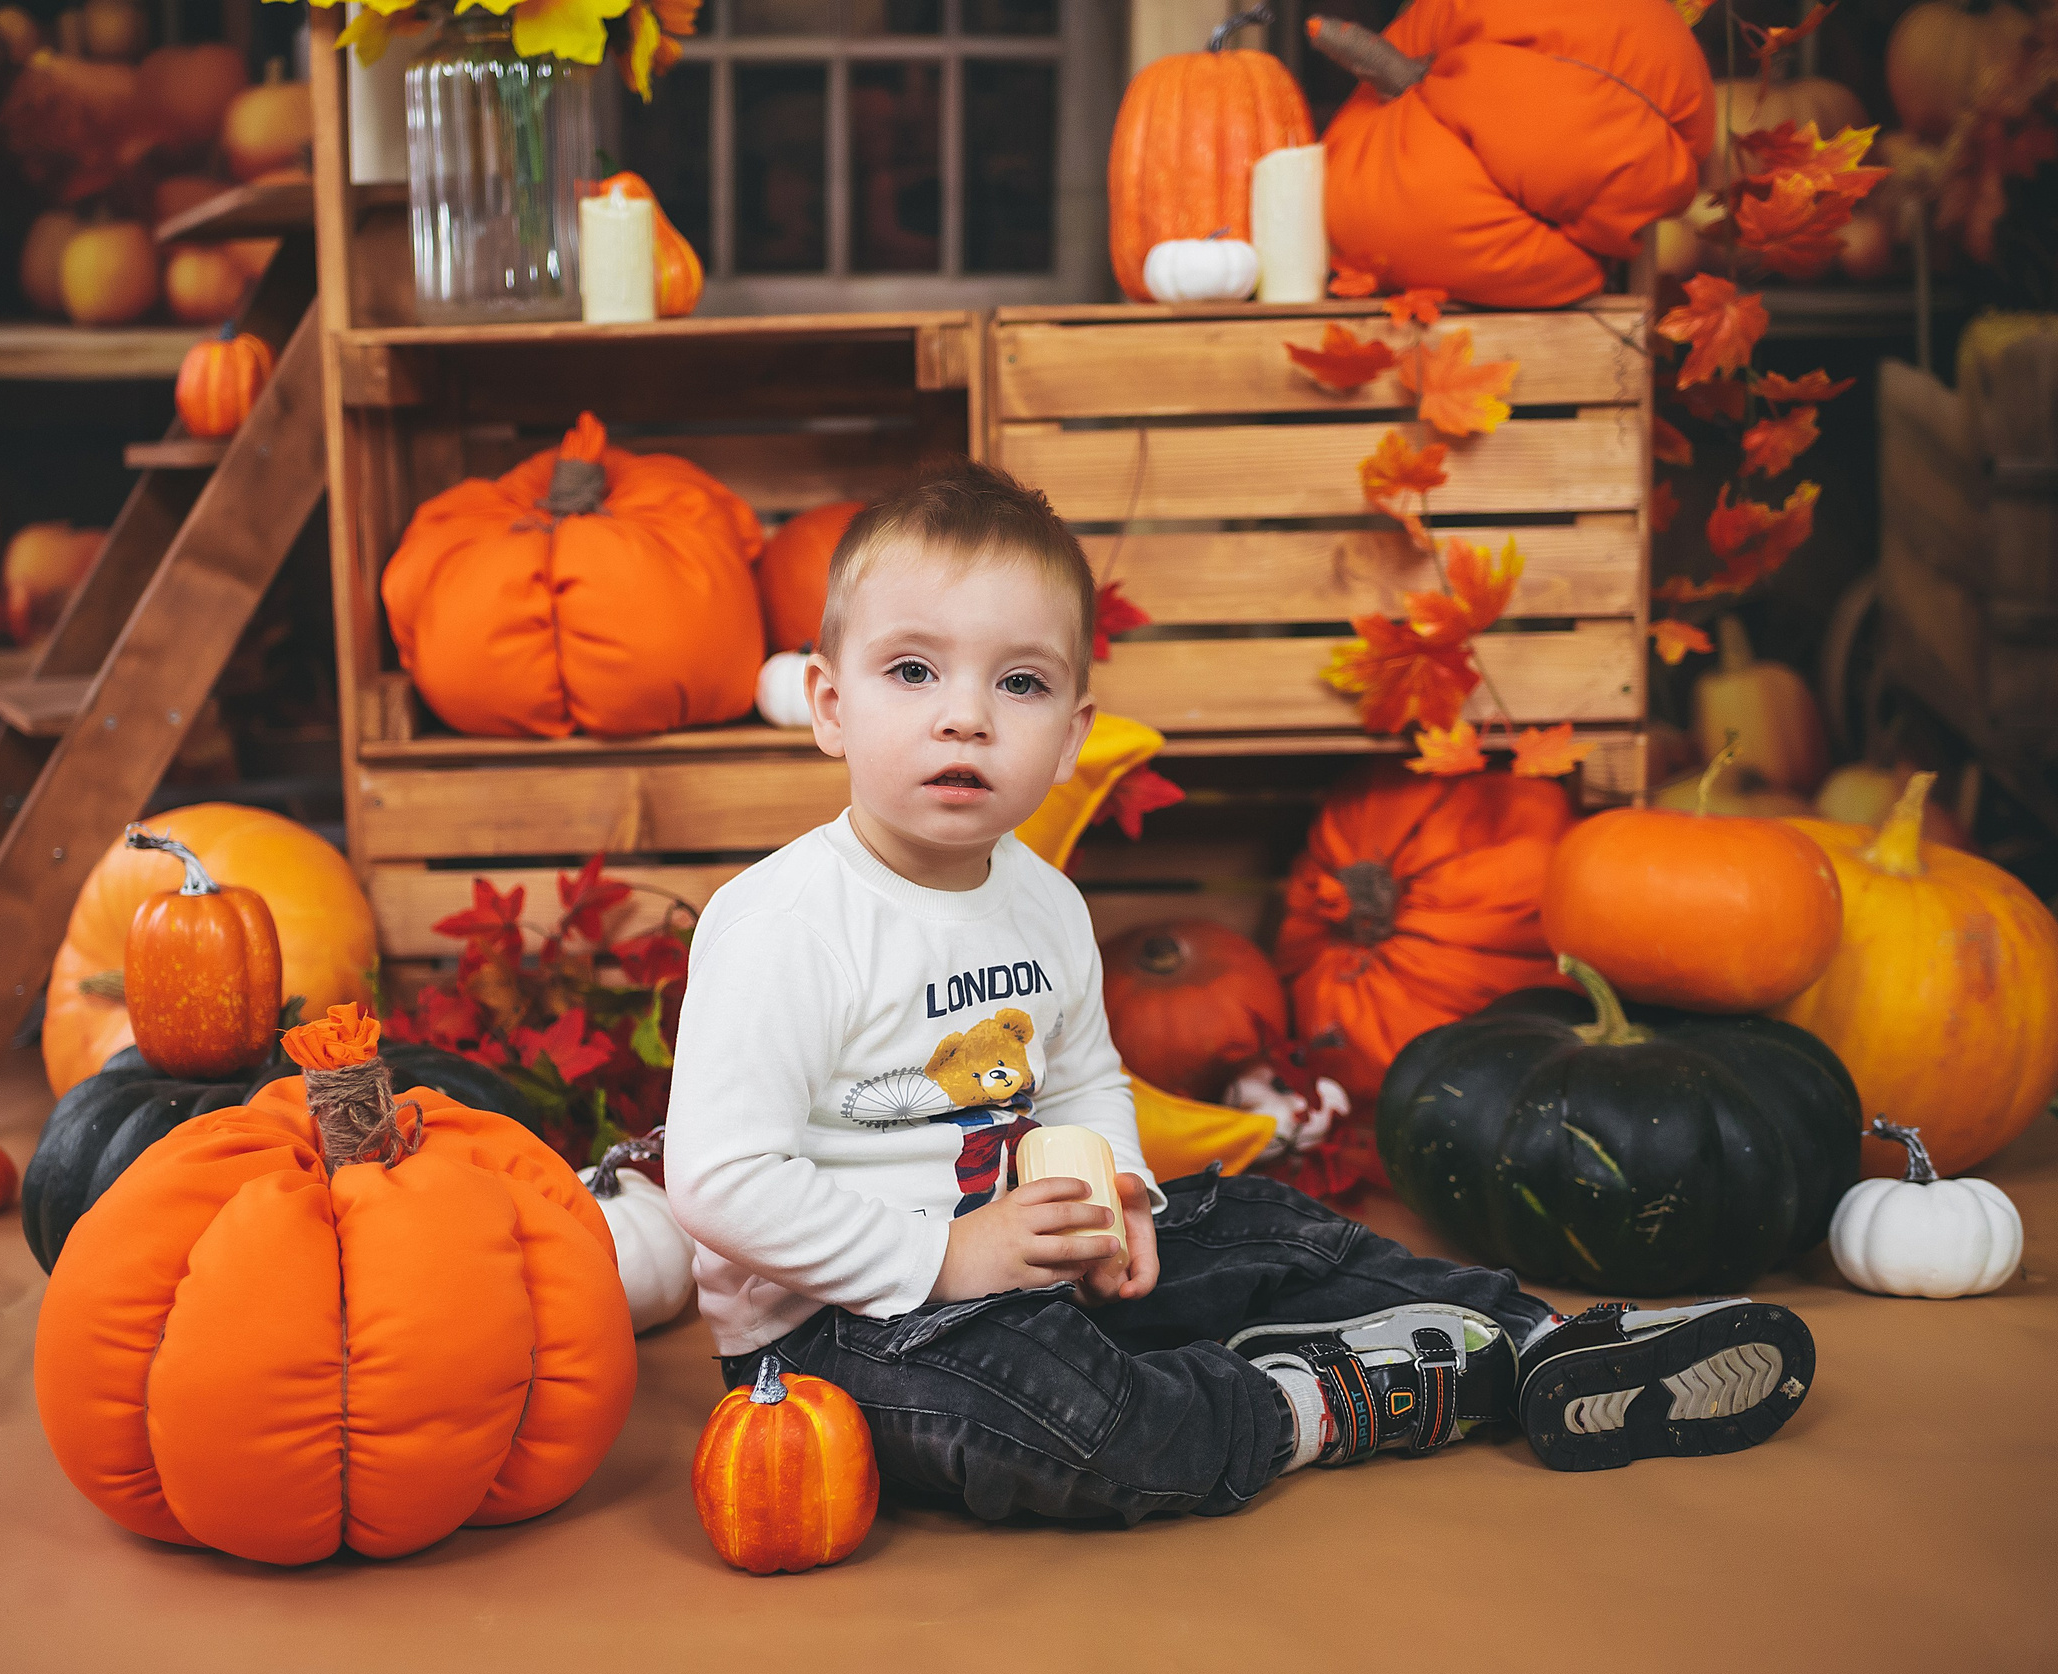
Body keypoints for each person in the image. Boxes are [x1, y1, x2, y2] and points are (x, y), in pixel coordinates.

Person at [661, 460, 1814, 1522]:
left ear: (1067, 739)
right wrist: (945, 1261)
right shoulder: (785, 924)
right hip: (839, 1331)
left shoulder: (1042, 901)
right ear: (827, 704)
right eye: (912, 670)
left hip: (1029, 1259)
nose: (963, 712)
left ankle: (1543, 1344)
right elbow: (719, 1180)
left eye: (1017, 682)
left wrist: (1117, 1197)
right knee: (1082, 1420)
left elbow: (1077, 1079)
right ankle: (1302, 1399)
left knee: (1269, 1223)